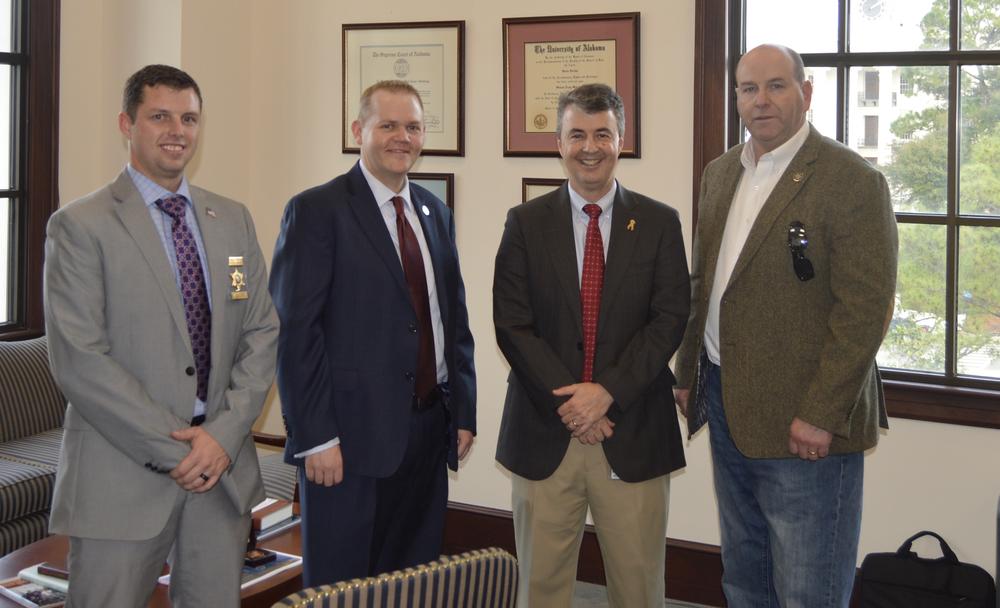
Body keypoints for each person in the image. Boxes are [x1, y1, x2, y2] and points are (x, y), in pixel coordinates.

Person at [43, 64, 279, 607]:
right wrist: (178, 450)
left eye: (189, 118)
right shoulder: (81, 226)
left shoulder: (232, 220)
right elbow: (81, 360)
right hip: (120, 477)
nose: (177, 130)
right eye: (160, 117)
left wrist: (220, 438)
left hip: (221, 476)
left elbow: (261, 330)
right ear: (127, 124)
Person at [673, 44, 898, 607]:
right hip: (726, 400)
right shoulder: (721, 173)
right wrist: (687, 371)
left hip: (806, 421)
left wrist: (822, 414)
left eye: (776, 86)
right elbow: (703, 282)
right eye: (748, 89)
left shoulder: (851, 181)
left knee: (807, 585)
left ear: (807, 92)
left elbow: (865, 311)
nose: (761, 100)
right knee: (745, 573)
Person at [269, 80, 476, 586]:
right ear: (359, 130)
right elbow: (298, 334)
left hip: (427, 433)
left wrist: (462, 412)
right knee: (342, 585)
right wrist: (315, 436)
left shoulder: (434, 212)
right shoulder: (317, 210)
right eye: (388, 125)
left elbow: (453, 321)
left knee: (410, 579)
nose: (401, 137)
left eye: (412, 127)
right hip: (347, 442)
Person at [493, 83, 690, 608]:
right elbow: (512, 325)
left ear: (621, 141)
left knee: (638, 587)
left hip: (632, 429)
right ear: (558, 143)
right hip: (546, 431)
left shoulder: (659, 222)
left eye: (602, 134)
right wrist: (574, 404)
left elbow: (669, 319)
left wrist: (607, 393)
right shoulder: (525, 222)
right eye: (577, 134)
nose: (590, 147)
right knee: (541, 587)